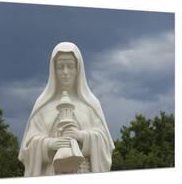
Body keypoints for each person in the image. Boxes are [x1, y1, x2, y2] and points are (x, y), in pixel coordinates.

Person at [18, 42, 115, 176]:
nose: (65, 72)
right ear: (53, 70)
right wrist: (50, 144)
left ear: (78, 69)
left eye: (70, 66)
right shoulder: (43, 105)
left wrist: (81, 136)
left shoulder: (90, 104)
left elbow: (105, 144)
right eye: (60, 67)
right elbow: (27, 149)